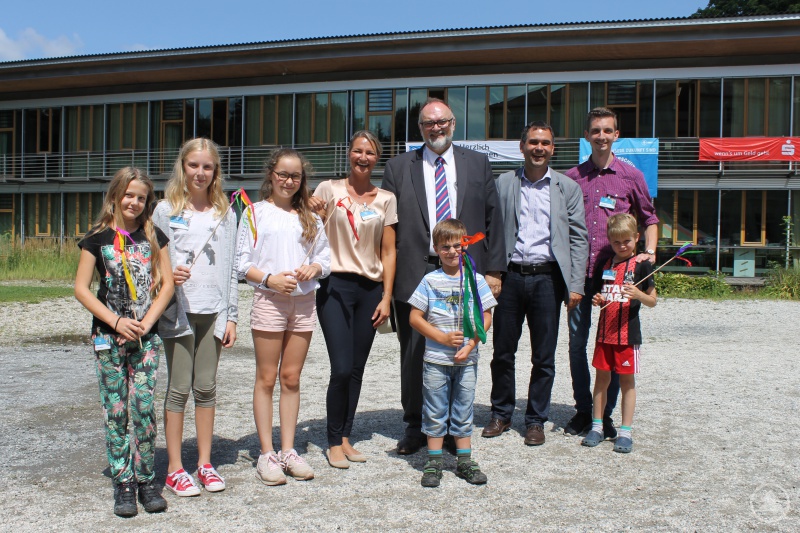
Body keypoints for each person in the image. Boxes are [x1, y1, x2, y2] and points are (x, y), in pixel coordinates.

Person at [382, 97, 506, 455]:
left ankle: (453, 429)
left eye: (442, 122)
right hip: (414, 273)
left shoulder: (478, 164)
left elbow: (493, 219)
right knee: (415, 352)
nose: (435, 128)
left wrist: (494, 270)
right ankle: (415, 426)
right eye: (427, 124)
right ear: (420, 129)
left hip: (464, 270)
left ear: (453, 124)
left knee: (459, 350)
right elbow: (388, 227)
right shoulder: (398, 166)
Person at [74, 167, 174, 517]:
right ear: (116, 195)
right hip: (108, 338)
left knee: (143, 409)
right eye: (129, 194)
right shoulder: (96, 238)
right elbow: (81, 288)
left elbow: (168, 286)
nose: (134, 201)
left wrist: (146, 323)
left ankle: (147, 479)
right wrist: (115, 320)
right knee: (116, 412)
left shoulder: (153, 235)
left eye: (142, 197)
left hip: (147, 338)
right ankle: (124, 483)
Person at [483, 122, 588, 446]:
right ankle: (501, 413)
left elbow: (578, 238)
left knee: (543, 356)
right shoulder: (503, 184)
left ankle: (535, 420)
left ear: (552, 149)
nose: (538, 148)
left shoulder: (567, 187)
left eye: (545, 143)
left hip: (547, 279)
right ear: (522, 146)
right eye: (533, 142)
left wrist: (575, 284)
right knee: (503, 351)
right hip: (510, 277)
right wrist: (492, 273)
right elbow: (490, 231)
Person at [236, 148, 331, 486]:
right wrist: (269, 279)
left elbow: (326, 258)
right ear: (271, 175)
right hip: (269, 300)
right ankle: (266, 453)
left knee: (291, 378)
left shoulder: (310, 216)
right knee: (266, 378)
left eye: (295, 176)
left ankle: (289, 449)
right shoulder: (254, 213)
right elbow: (242, 262)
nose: (289, 181)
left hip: (303, 302)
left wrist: (314, 267)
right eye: (282, 174)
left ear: (302, 180)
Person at [563, 107, 659, 438]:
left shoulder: (631, 176)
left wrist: (649, 253)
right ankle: (583, 410)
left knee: (615, 343)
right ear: (587, 136)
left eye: (607, 130)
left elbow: (649, 218)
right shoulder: (572, 177)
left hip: (616, 276)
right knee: (577, 344)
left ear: (616, 135)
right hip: (579, 275)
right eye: (595, 130)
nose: (601, 136)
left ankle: (605, 417)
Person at [153, 138, 239, 497]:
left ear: (215, 171)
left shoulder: (226, 212)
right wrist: (168, 275)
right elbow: (153, 266)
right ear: (183, 167)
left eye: (207, 166)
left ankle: (204, 463)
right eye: (194, 165)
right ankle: (175, 468)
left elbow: (233, 268)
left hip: (214, 310)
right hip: (178, 311)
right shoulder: (163, 209)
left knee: (206, 387)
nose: (200, 173)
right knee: (178, 389)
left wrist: (232, 315)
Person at [311, 131, 397, 468]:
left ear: (377, 158)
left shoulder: (386, 199)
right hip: (334, 285)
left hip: (370, 290)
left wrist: (387, 296)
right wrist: (311, 209)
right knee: (341, 367)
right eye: (358, 151)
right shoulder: (327, 190)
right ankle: (332, 440)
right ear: (349, 154)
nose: (363, 157)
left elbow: (388, 252)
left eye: (371, 152)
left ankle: (345, 436)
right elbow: (308, 231)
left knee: (358, 369)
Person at [408, 219, 497, 487]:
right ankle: (434, 460)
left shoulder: (476, 280)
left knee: (463, 408)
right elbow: (415, 317)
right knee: (435, 409)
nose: (451, 252)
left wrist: (471, 344)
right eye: (445, 247)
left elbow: (487, 315)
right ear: (436, 248)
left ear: (465, 247)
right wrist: (442, 338)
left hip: (467, 360)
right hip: (436, 360)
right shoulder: (429, 280)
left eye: (457, 246)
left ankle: (464, 460)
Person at [581, 213, 657, 453]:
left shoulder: (643, 265)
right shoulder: (606, 264)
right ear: (610, 241)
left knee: (627, 382)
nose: (622, 246)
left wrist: (639, 295)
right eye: (616, 242)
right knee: (601, 380)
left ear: (636, 237)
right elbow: (598, 293)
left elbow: (653, 300)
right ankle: (597, 426)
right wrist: (597, 298)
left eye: (627, 240)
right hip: (604, 335)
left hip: (628, 336)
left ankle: (625, 431)